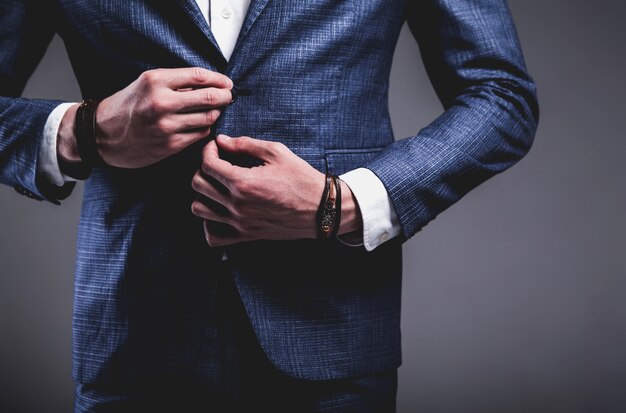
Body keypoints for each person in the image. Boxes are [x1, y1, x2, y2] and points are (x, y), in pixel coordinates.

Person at [0, 0, 538, 411]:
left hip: (332, 336)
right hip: (135, 336)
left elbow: (500, 94)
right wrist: (82, 130)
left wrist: (345, 202)